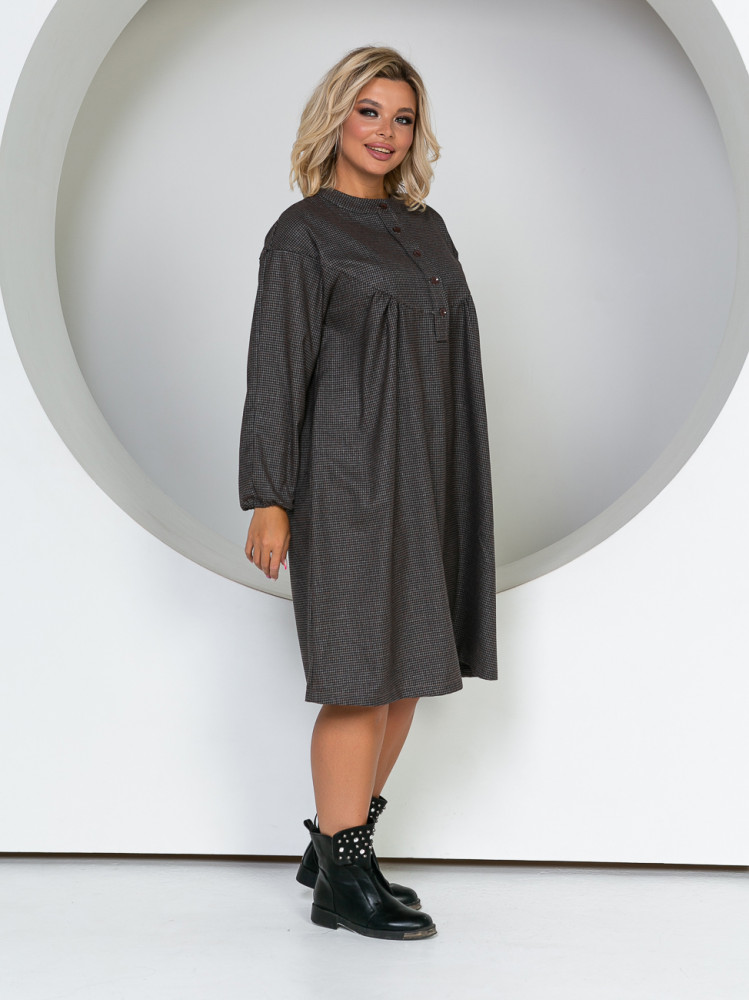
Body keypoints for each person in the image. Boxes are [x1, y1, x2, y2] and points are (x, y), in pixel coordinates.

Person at [238, 45, 497, 940]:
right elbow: (275, 371)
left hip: (428, 475)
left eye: (402, 117)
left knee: (413, 669)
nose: (386, 132)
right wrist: (270, 496)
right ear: (336, 118)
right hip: (347, 482)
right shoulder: (302, 233)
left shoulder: (427, 228)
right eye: (369, 112)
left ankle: (337, 845)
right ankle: (343, 881)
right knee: (360, 678)